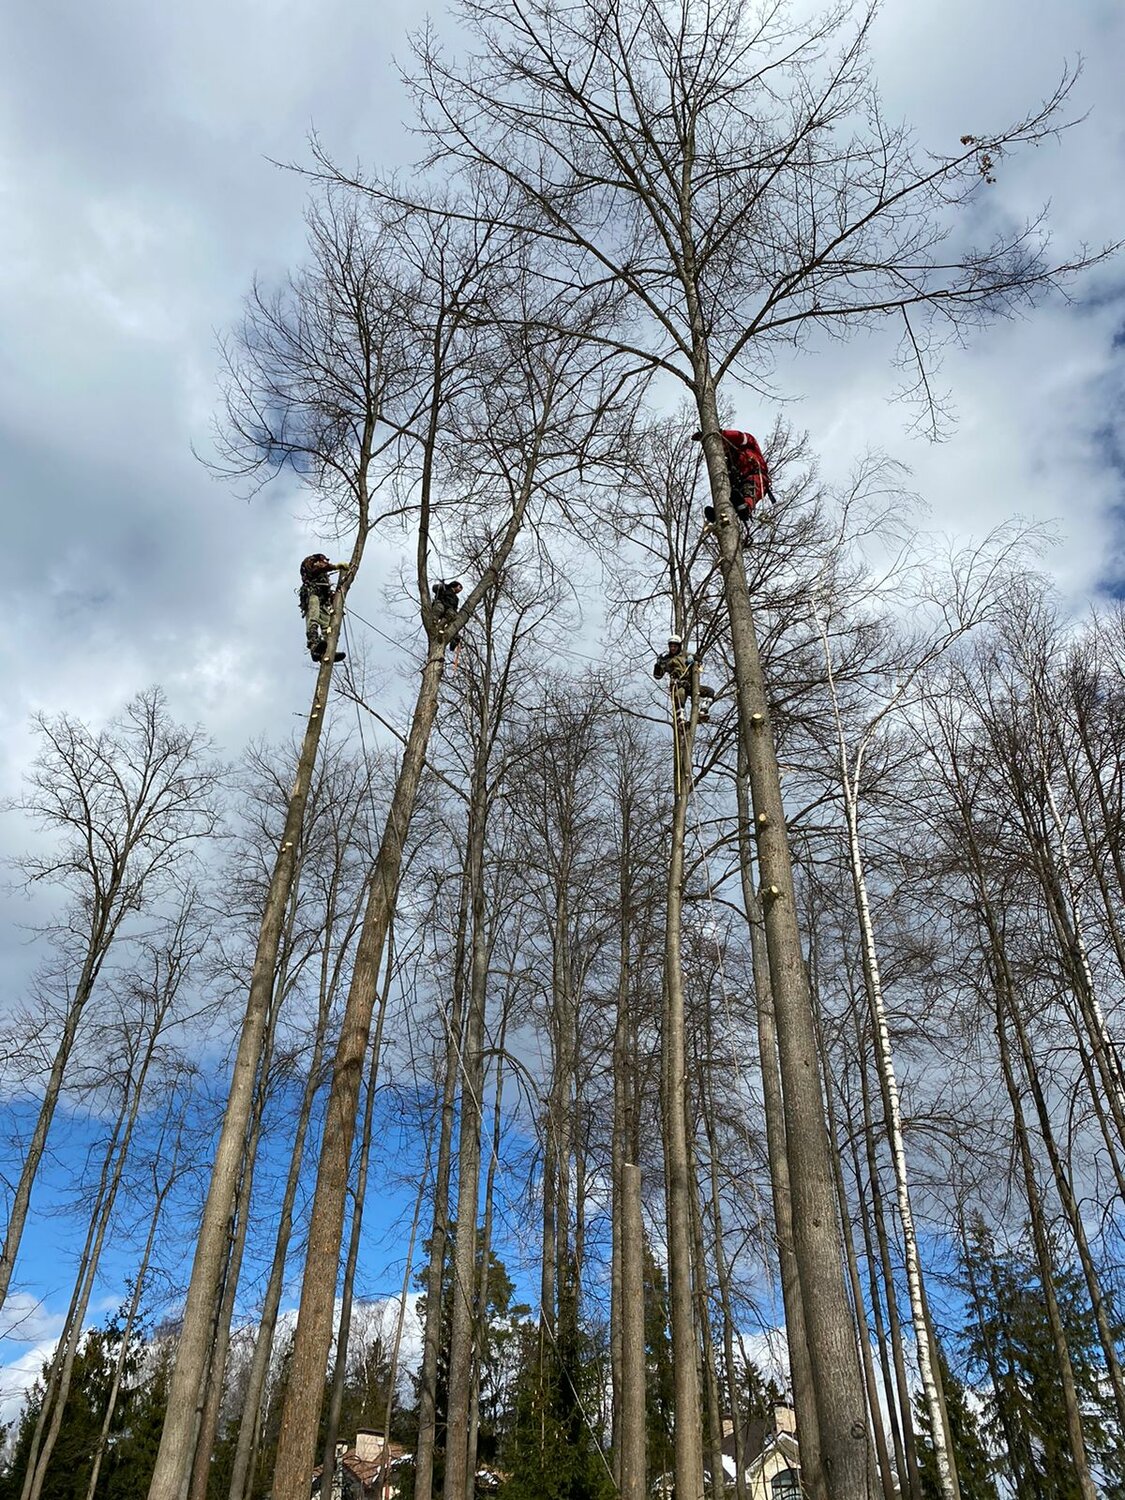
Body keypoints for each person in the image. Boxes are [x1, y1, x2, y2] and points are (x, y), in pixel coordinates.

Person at [692, 429, 774, 538]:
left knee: (748, 489)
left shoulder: (748, 445)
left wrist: (721, 434)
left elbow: (740, 437)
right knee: (730, 493)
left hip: (755, 476)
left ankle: (745, 508)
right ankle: (720, 512)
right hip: (738, 484)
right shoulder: (730, 461)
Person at [653, 635, 717, 723]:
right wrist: (658, 665)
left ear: (679, 646)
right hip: (678, 684)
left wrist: (695, 658)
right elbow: (658, 676)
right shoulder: (667, 659)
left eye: (675, 646)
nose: (673, 648)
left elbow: (698, 660)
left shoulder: (686, 655)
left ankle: (702, 712)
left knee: (710, 691)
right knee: (681, 693)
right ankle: (680, 719)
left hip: (690, 684)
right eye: (671, 646)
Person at [299, 554, 348, 663]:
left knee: (328, 625)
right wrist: (334, 567)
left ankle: (329, 650)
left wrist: (336, 603)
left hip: (324, 602)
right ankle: (314, 646)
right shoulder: (309, 563)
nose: (325, 563)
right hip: (312, 595)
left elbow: (328, 593)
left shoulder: (324, 577)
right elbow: (315, 569)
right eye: (323, 561)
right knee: (313, 619)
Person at [431, 579, 464, 650]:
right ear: (455, 585)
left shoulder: (456, 599)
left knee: (453, 616)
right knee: (439, 608)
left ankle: (454, 638)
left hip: (448, 611)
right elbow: (434, 588)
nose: (459, 590)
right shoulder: (445, 588)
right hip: (441, 604)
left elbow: (455, 609)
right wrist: (440, 586)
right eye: (459, 587)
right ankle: (434, 622)